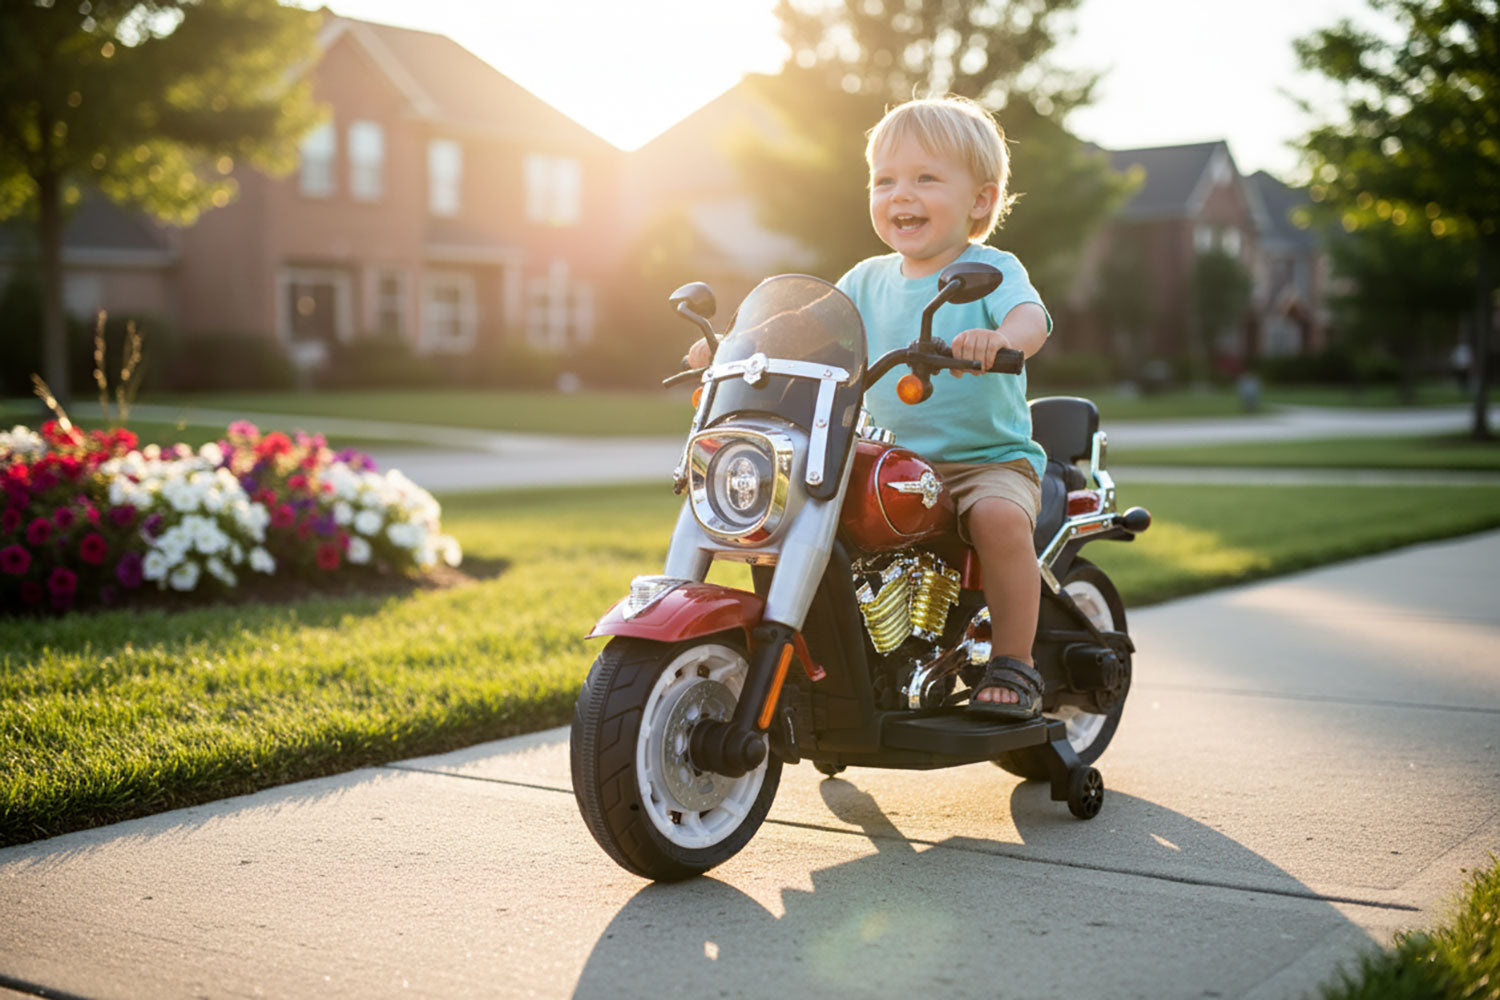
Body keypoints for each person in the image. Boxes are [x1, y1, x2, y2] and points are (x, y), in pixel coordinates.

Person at [689, 95, 1050, 720]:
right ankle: (832, 658)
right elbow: (803, 326)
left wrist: (1000, 340)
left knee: (998, 520)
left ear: (981, 201)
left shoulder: (991, 269)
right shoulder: (864, 280)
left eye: (925, 178)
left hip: (982, 461)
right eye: (884, 181)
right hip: (889, 459)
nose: (900, 194)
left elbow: (1031, 318)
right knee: (794, 509)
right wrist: (735, 344)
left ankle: (1014, 663)